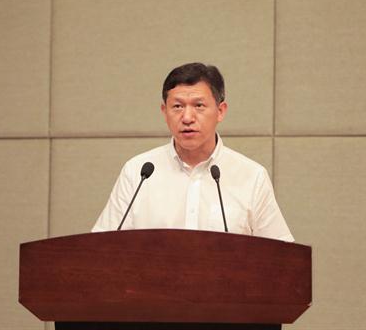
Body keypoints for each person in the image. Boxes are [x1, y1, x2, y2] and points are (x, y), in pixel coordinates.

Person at [92, 62, 294, 241]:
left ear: (220, 111)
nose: (187, 117)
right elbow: (101, 248)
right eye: (177, 106)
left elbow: (281, 257)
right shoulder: (138, 172)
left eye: (199, 105)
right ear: (164, 112)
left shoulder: (251, 176)